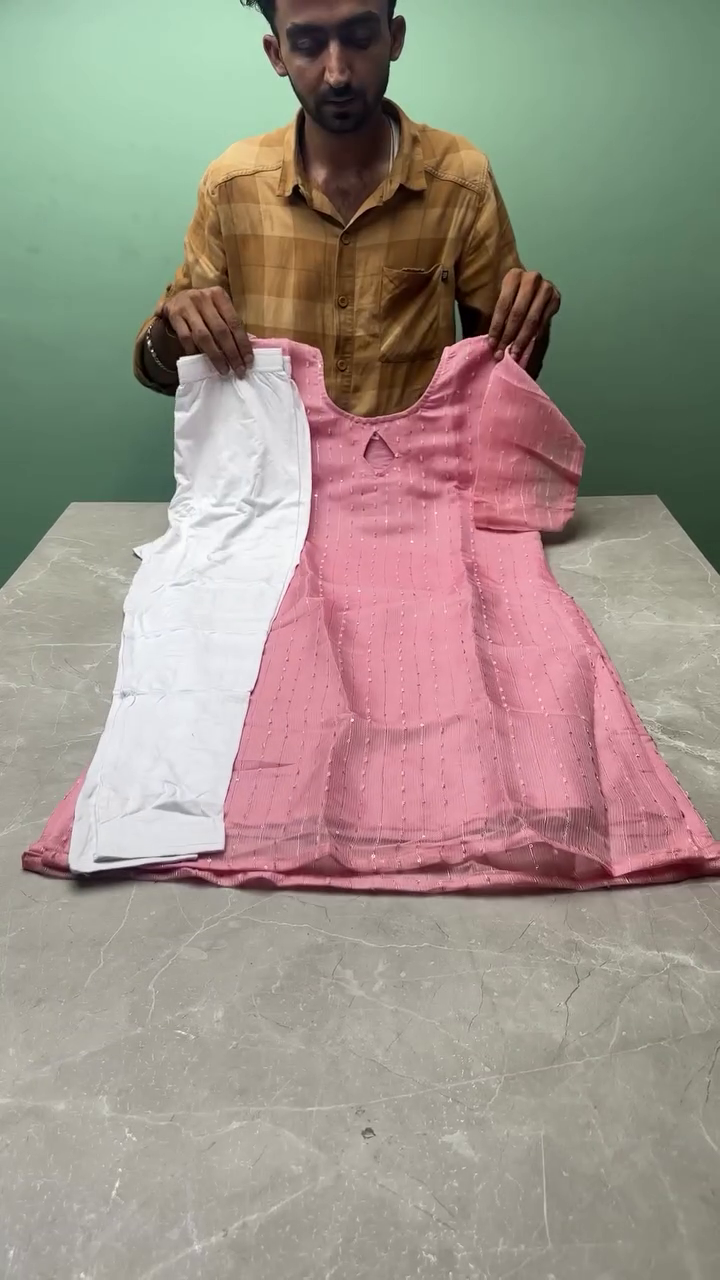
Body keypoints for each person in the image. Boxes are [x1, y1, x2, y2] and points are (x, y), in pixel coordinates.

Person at [135, 0, 561, 416]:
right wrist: (174, 328)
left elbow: (505, 375)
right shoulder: (231, 186)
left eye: (359, 38)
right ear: (276, 53)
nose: (337, 74)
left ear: (395, 38)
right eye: (308, 45)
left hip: (415, 464)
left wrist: (531, 320)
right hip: (268, 465)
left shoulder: (461, 181)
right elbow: (158, 373)